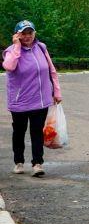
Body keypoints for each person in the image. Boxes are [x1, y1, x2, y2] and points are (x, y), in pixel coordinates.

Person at [3, 20, 62, 177]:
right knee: (19, 132)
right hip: (19, 101)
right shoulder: (11, 51)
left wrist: (56, 91)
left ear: (34, 33)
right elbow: (9, 66)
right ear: (18, 35)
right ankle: (19, 162)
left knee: (37, 132)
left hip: (40, 100)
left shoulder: (41, 48)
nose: (28, 36)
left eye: (30, 32)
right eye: (24, 33)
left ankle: (37, 164)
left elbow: (51, 70)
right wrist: (16, 46)